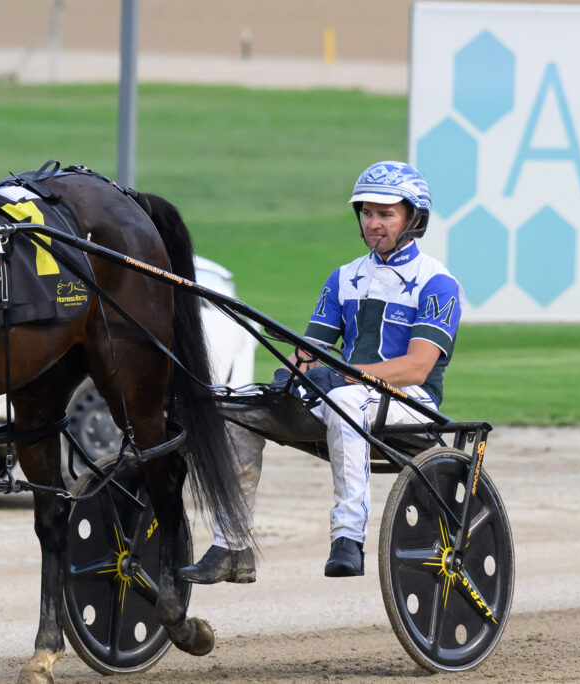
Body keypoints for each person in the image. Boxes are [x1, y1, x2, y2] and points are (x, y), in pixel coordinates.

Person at [180, 161, 465, 581]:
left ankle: (348, 538)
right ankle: (232, 546)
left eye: (386, 214)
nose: (373, 223)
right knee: (237, 411)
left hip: (411, 403)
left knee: (345, 397)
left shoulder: (437, 283)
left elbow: (417, 367)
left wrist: (347, 376)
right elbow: (310, 353)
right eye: (367, 213)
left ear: (414, 219)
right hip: (347, 397)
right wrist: (287, 379)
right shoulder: (344, 278)